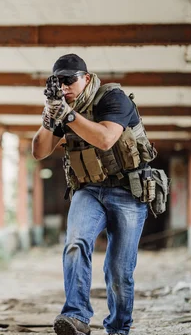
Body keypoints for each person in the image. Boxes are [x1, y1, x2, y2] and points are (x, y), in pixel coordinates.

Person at [32, 54, 158, 335]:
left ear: (86, 78)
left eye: (69, 80)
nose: (64, 86)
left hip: (128, 190)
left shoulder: (112, 98)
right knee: (75, 243)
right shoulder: (63, 108)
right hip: (89, 190)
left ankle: (118, 328)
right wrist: (50, 118)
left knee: (118, 271)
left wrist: (68, 115)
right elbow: (39, 151)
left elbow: (105, 138)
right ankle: (76, 317)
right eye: (58, 81)